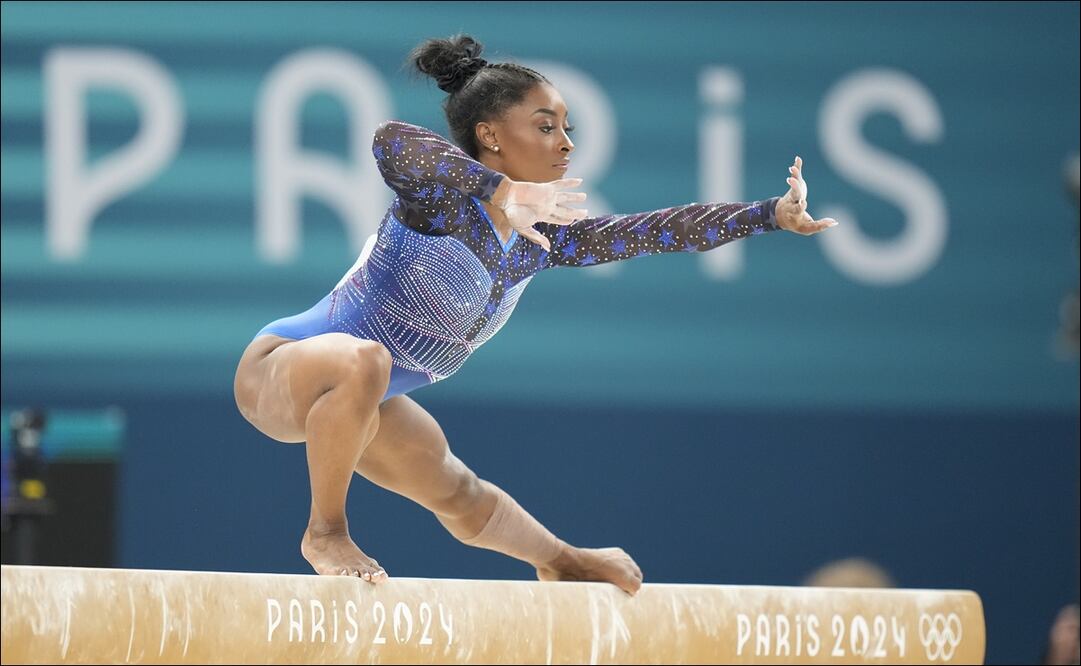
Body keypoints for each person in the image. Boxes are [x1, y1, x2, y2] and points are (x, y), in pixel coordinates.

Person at [233, 34, 837, 596]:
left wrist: (767, 215)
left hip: (365, 399)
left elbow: (652, 231)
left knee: (458, 492)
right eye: (546, 126)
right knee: (364, 357)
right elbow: (391, 140)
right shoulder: (442, 200)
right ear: (490, 135)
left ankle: (560, 559)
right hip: (281, 372)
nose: (566, 143)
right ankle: (326, 532)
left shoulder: (538, 239)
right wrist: (500, 192)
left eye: (567, 128)